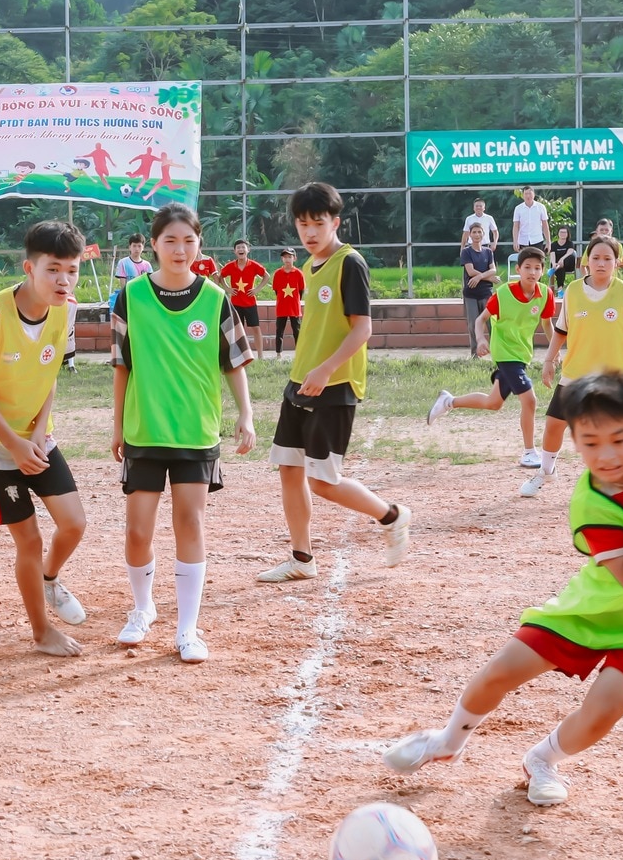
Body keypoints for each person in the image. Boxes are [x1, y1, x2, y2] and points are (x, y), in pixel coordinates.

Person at [383, 372, 623, 802]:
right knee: (501, 670)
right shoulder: (592, 501)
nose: (607, 455)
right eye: (590, 443)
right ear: (573, 443)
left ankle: (542, 759)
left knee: (604, 710)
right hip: (593, 606)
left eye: (619, 439)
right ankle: (448, 741)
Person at [110, 202, 257, 661]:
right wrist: (117, 426)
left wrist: (246, 414)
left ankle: (188, 629)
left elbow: (233, 362)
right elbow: (121, 366)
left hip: (195, 432)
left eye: (188, 240)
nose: (179, 249)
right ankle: (142, 609)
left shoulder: (215, 297)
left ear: (199, 245)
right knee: (138, 530)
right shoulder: (129, 297)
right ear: (152, 244)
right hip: (145, 429)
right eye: (170, 240)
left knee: (190, 522)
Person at [257, 181, 413, 584]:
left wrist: (325, 369)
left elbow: (362, 329)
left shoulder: (350, 262)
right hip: (300, 382)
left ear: (335, 222)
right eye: (302, 223)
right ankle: (301, 559)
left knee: (323, 481)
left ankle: (392, 515)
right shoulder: (309, 266)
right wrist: (307, 370)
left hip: (335, 385)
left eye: (318, 223)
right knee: (289, 470)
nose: (309, 232)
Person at [0, 220, 90, 657]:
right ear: (29, 268)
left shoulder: (67, 310)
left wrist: (36, 433)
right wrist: (13, 444)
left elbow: (50, 377)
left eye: (71, 269)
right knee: (28, 540)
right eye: (53, 269)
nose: (63, 280)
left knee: (74, 524)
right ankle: (41, 632)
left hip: (34, 435)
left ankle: (49, 579)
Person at [527, 236, 623, 497]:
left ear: (617, 263)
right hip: (575, 375)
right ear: (586, 261)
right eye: (596, 257)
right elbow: (561, 331)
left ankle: (620, 480)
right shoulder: (573, 291)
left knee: (612, 434)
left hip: (612, 380)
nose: (601, 263)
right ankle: (546, 472)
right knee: (553, 424)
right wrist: (549, 361)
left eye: (608, 258)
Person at [427, 245, 556, 469]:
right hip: (505, 354)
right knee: (530, 400)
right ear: (518, 268)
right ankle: (529, 452)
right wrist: (481, 339)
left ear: (542, 271)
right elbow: (480, 319)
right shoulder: (503, 293)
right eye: (527, 267)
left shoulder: (545, 293)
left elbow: (547, 325)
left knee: (493, 402)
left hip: (521, 354)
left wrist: (554, 354)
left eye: (537, 268)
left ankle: (449, 401)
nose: (532, 272)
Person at [220, 240, 267, 339]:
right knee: (237, 329)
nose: (241, 249)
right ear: (234, 251)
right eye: (238, 248)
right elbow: (221, 277)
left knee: (256, 328)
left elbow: (266, 276)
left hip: (250, 302)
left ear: (248, 250)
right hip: (236, 303)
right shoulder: (230, 266)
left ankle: (260, 354)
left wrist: (257, 289)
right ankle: (239, 353)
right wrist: (227, 288)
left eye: (243, 247)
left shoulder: (254, 265)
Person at [459, 221, 497, 338]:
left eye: (479, 232)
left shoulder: (488, 252)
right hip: (471, 292)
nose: (477, 234)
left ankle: (495, 352)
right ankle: (475, 354)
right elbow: (470, 271)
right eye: (474, 232)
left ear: (483, 234)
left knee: (491, 323)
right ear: (470, 235)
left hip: (486, 292)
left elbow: (493, 269)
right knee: (473, 324)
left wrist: (480, 276)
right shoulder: (466, 252)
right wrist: (489, 278)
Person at [270, 246, 304, 357]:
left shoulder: (299, 273)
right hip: (281, 307)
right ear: (282, 259)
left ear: (295, 258)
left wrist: (295, 300)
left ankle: (299, 354)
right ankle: (278, 354)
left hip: (294, 307)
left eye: (290, 257)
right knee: (279, 331)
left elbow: (301, 291)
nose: (287, 259)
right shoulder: (278, 273)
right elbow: (276, 290)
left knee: (297, 331)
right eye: (285, 257)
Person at [109, 233, 153, 308]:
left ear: (143, 247)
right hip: (129, 297)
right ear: (130, 247)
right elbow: (123, 284)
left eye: (139, 246)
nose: (137, 249)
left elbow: (149, 284)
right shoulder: (123, 263)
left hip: (143, 299)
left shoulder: (147, 265)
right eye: (134, 246)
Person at [512, 184, 550, 252]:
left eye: (530, 193)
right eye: (526, 194)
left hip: (537, 239)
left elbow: (545, 225)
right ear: (523, 195)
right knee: (524, 261)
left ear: (534, 194)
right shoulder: (518, 208)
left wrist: (548, 241)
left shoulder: (541, 207)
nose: (528, 196)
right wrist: (515, 241)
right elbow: (516, 226)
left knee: (538, 260)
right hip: (523, 240)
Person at [547, 225, 580, 291]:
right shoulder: (553, 245)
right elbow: (552, 255)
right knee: (560, 269)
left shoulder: (570, 243)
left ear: (567, 234)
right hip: (556, 265)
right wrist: (553, 263)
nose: (563, 234)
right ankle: (560, 290)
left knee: (571, 257)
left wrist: (562, 259)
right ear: (558, 233)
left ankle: (555, 268)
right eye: (561, 232)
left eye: (565, 232)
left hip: (568, 264)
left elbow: (570, 252)